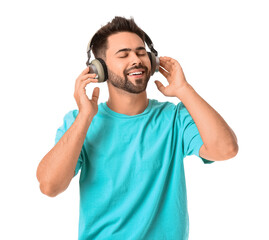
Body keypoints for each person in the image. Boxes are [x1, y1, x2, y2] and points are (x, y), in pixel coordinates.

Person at [36, 16, 238, 240]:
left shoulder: (174, 118)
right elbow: (49, 186)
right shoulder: (79, 122)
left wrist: (184, 89)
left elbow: (226, 149)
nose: (136, 60)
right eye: (123, 55)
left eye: (141, 53)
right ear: (99, 69)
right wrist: (84, 117)